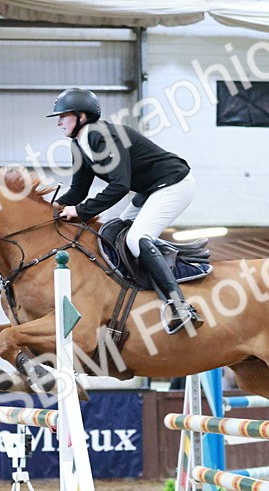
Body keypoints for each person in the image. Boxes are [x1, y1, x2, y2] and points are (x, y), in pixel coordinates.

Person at [47, 87, 203, 335]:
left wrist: (81, 211)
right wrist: (49, 210)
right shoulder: (80, 146)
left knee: (136, 238)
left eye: (63, 115)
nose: (58, 122)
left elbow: (119, 186)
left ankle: (179, 306)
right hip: (150, 190)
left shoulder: (103, 136)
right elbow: (77, 192)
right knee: (111, 233)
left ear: (82, 116)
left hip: (175, 183)